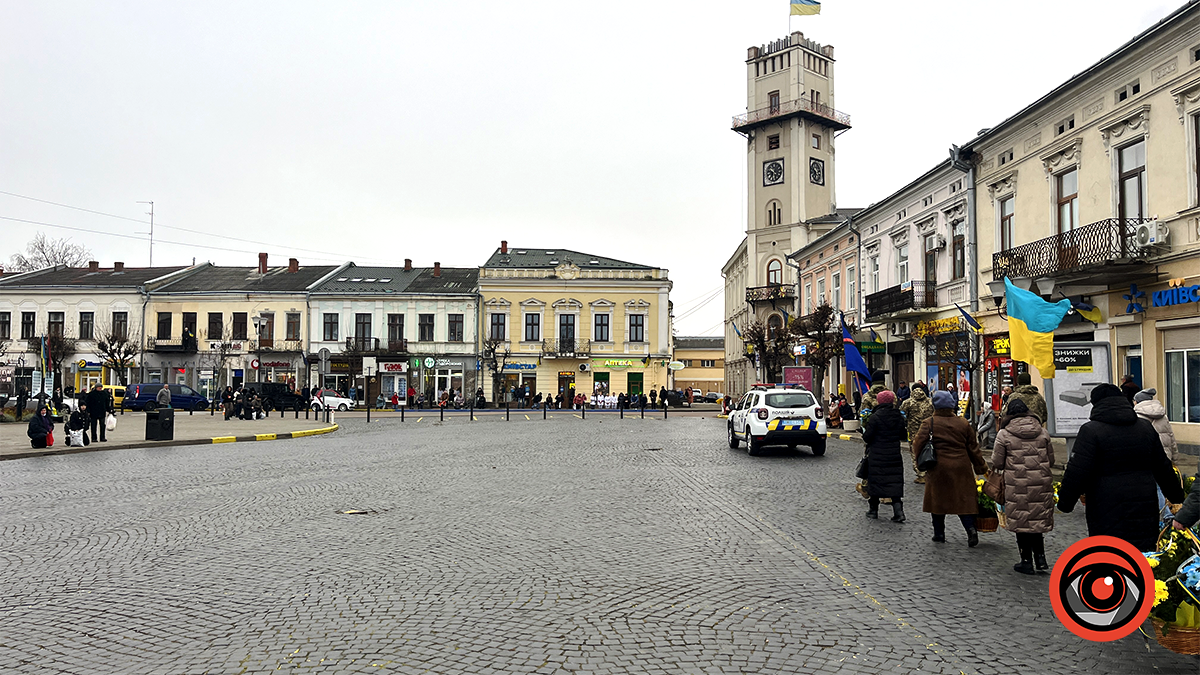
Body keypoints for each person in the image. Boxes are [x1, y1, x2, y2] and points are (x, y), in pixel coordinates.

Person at [1058, 384, 1185, 552]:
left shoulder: (1091, 431)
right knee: (1143, 556)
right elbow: (1162, 467)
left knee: (1110, 556)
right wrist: (1177, 495)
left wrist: (1065, 503)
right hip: (1144, 505)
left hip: (1105, 507)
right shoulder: (1145, 428)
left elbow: (1077, 472)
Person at [913, 390, 987, 547]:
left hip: (938, 467)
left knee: (937, 501)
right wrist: (980, 467)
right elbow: (973, 448)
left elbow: (917, 443)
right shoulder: (963, 423)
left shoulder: (929, 423)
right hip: (961, 466)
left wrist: (920, 463)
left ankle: (939, 534)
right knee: (963, 500)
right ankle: (971, 530)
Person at [991, 398, 1055, 575]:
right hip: (1041, 482)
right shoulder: (1042, 432)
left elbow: (997, 462)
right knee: (1036, 518)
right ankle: (1041, 558)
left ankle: (1026, 560)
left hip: (1017, 483)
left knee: (1022, 520)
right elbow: (1051, 460)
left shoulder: (1004, 434)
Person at [861, 390, 906, 523]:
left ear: (879, 401)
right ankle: (899, 512)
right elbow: (903, 435)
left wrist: (864, 429)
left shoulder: (875, 417)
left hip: (877, 455)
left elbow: (867, 437)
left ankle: (873, 511)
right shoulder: (898, 416)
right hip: (894, 455)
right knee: (894, 483)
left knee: (876, 482)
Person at [900, 385, 935, 483]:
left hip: (913, 431)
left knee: (915, 452)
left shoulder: (908, 402)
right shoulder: (930, 401)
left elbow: (902, 415)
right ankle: (929, 471)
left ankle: (921, 474)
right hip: (929, 430)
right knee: (929, 449)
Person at [1133, 388, 1178, 462]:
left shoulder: (1137, 417)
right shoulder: (1163, 416)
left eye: (1134, 400)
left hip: (1147, 458)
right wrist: (1175, 457)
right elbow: (1171, 436)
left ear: (1138, 402)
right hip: (1165, 457)